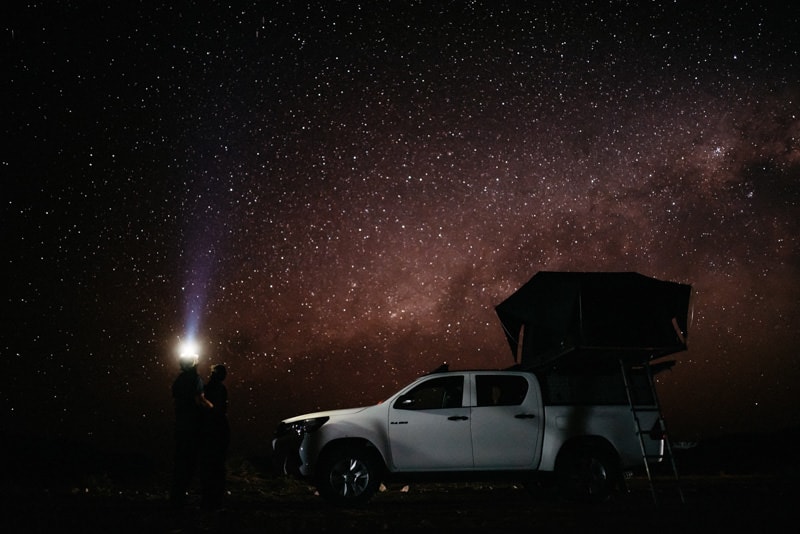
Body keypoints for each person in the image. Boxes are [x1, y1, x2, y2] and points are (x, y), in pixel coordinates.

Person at [170, 352, 213, 507]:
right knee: (193, 460)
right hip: (193, 424)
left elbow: (176, 398)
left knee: (181, 459)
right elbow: (199, 399)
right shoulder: (195, 379)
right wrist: (212, 408)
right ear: (194, 363)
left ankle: (177, 495)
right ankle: (186, 497)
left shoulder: (179, 380)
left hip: (181, 423)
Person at [201, 364, 229, 510]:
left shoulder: (206, 388)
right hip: (216, 429)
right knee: (216, 466)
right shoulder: (218, 389)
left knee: (209, 466)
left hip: (209, 430)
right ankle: (214, 501)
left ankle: (208, 499)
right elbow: (219, 410)